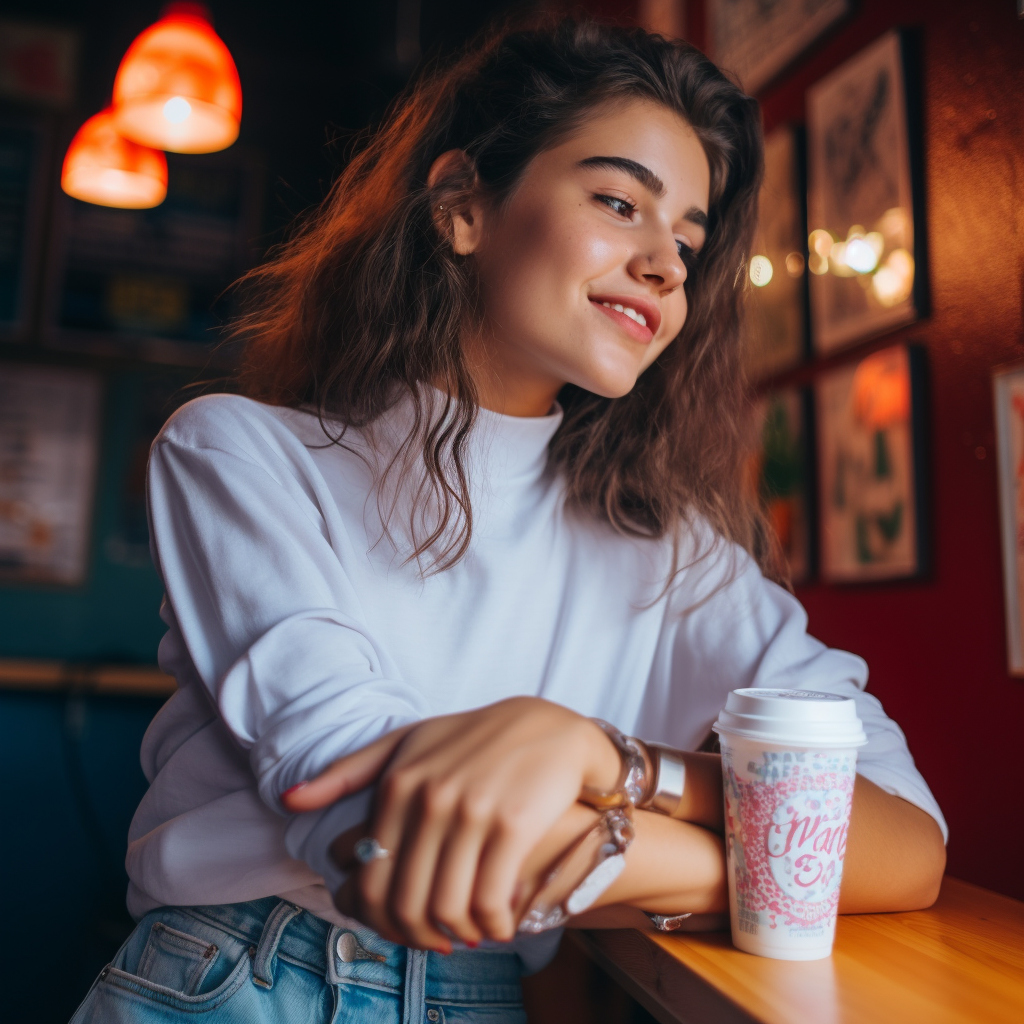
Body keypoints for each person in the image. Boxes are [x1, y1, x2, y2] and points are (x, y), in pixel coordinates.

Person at [71, 16, 946, 1024]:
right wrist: (737, 855)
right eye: (620, 203)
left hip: (478, 996)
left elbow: (906, 842)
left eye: (689, 244)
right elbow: (383, 835)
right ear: (461, 206)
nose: (666, 266)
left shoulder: (673, 552)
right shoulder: (236, 451)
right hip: (242, 976)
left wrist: (599, 758)